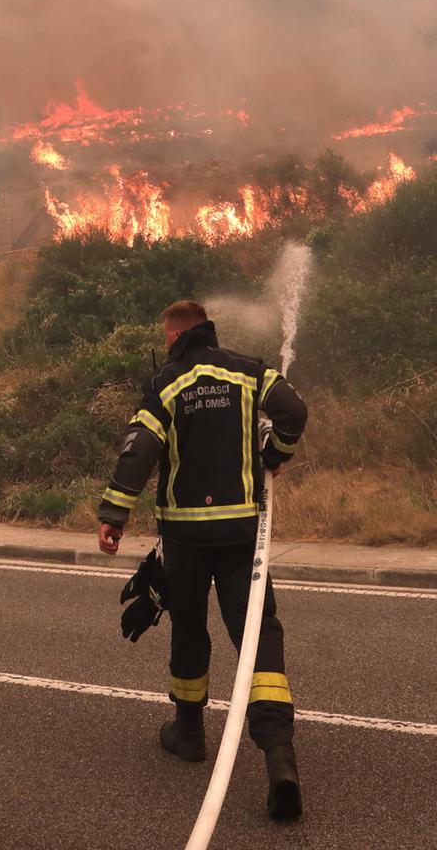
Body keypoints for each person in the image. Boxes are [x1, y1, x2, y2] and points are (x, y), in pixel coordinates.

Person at [96, 299, 310, 822]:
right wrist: (274, 456)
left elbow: (140, 448)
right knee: (258, 635)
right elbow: (294, 412)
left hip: (187, 537)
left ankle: (189, 732)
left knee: (189, 630)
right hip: (241, 532)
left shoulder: (168, 383)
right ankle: (280, 759)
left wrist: (114, 513)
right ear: (208, 330)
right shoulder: (246, 370)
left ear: (173, 338)